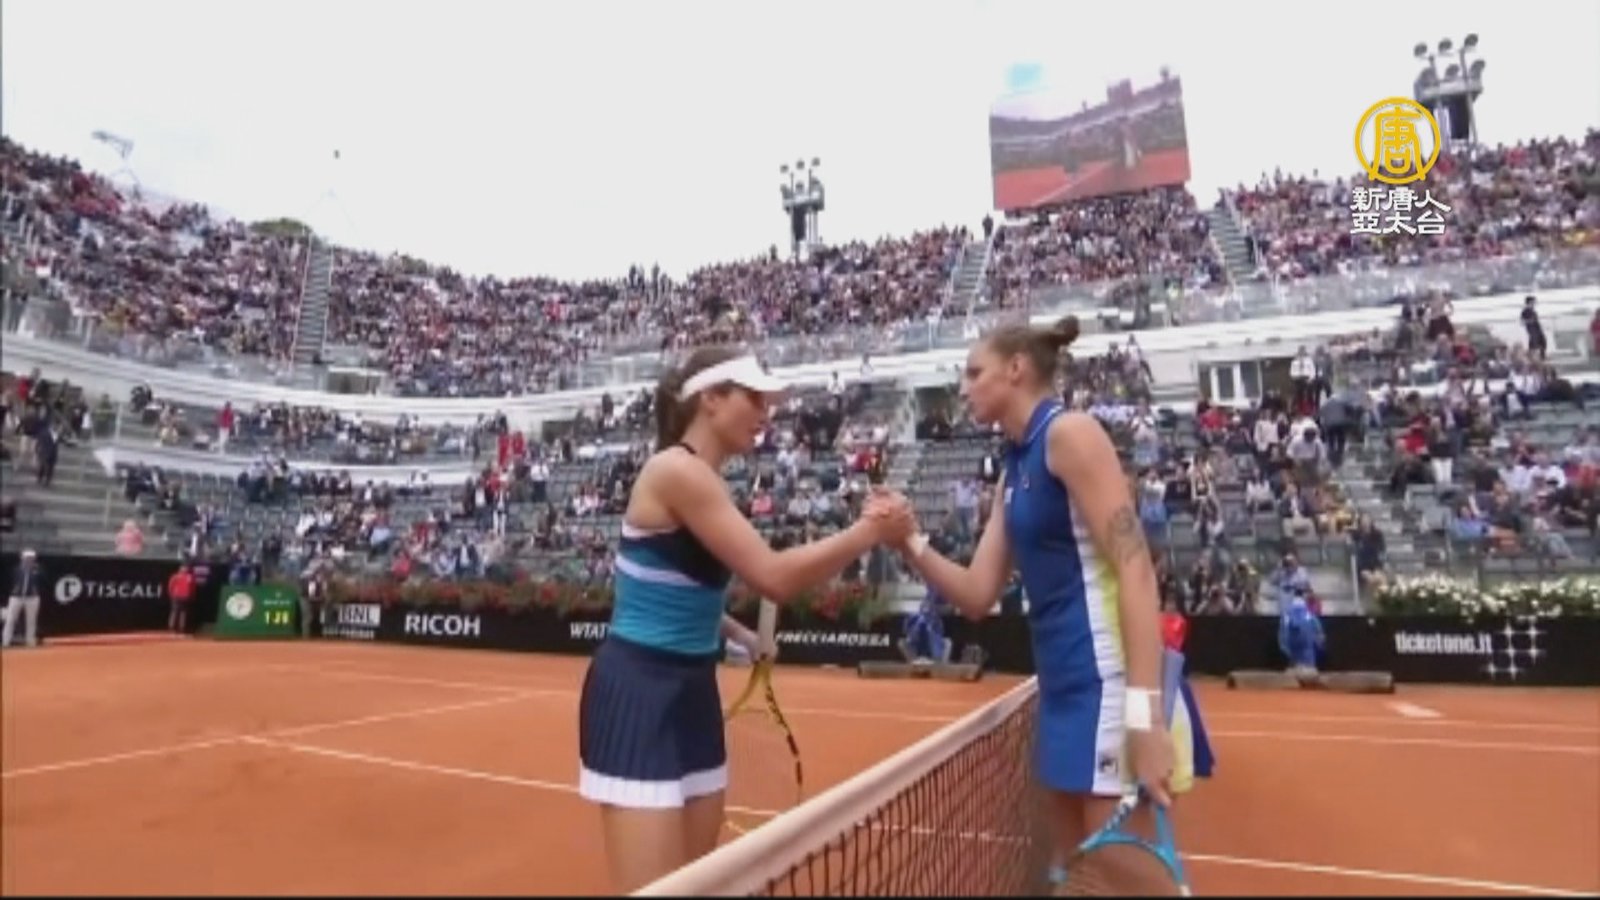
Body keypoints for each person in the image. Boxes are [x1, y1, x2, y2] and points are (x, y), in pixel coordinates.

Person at [576, 348, 914, 894]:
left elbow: (676, 591)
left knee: (696, 884)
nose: (765, 412)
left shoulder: (706, 480)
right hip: (639, 696)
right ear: (711, 399)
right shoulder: (676, 471)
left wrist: (740, 634)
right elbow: (773, 578)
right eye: (753, 398)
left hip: (692, 694)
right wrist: (870, 531)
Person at [891, 316, 1204, 892]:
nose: (963, 387)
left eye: (974, 372)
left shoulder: (1071, 435)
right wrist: (909, 540)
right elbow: (978, 594)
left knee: (1123, 878)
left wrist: (1145, 718)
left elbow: (1136, 567)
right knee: (1071, 871)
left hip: (1109, 684)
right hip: (1062, 692)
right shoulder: (1014, 466)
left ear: (1015, 369)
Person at [3, 549, 44, 649]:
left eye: (31, 558)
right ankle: (5, 642)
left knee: (31, 620)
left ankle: (30, 641)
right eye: (27, 558)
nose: (28, 560)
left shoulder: (38, 571)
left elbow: (43, 582)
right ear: (22, 559)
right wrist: (15, 589)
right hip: (16, 597)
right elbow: (10, 580)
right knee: (10, 619)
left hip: (32, 598)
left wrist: (35, 589)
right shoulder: (16, 570)